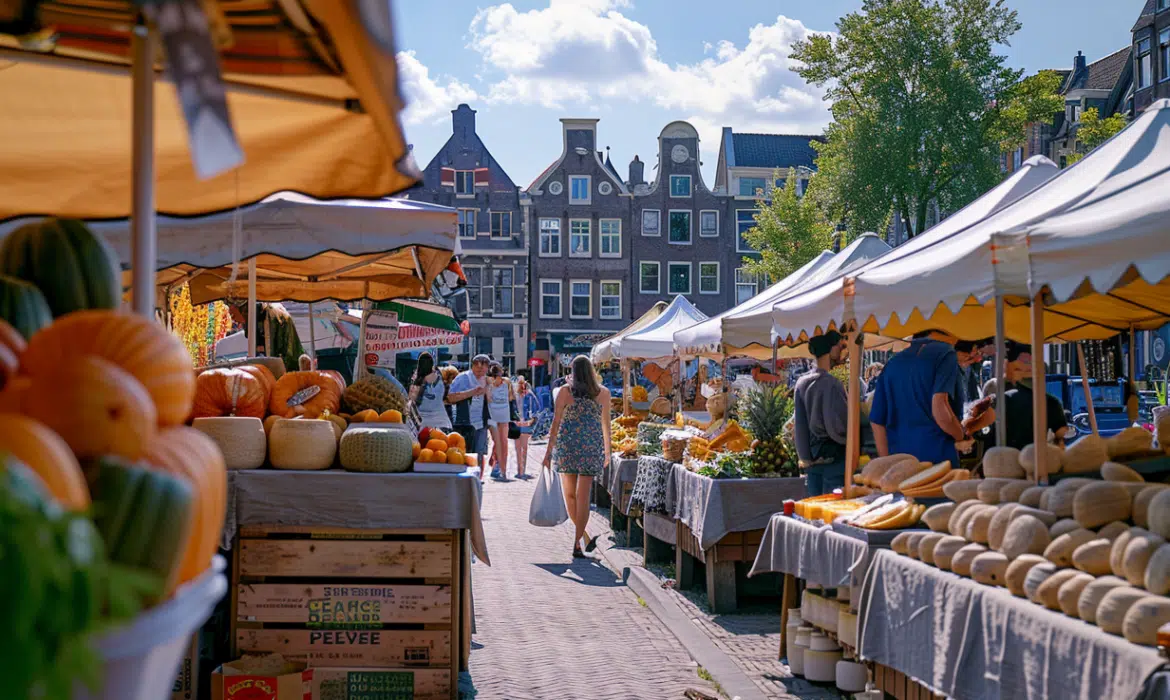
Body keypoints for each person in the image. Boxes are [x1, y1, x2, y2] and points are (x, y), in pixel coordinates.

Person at [543, 355, 611, 559]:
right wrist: (608, 450)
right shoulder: (603, 393)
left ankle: (578, 540)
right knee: (583, 497)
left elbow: (556, 423)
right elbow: (606, 424)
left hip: (568, 446)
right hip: (590, 447)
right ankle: (582, 537)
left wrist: (548, 452)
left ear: (573, 371)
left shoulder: (564, 392)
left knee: (571, 496)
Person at [869, 329, 967, 466]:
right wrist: (961, 435)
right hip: (937, 461)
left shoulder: (892, 363)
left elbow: (877, 421)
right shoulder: (945, 352)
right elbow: (940, 410)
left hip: (900, 463)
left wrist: (887, 463)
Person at [792, 331, 850, 496]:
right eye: (840, 346)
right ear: (831, 349)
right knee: (832, 514)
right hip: (834, 460)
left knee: (814, 513)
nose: (841, 351)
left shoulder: (801, 383)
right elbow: (841, 426)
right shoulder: (832, 384)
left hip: (811, 461)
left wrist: (806, 459)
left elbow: (800, 426)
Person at [448, 355, 491, 480]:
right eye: (476, 364)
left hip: (481, 423)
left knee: (480, 453)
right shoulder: (463, 378)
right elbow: (451, 397)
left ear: (487, 368)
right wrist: (472, 392)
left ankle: (478, 479)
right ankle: (463, 478)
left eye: (483, 365)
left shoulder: (488, 381)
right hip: (465, 423)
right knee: (464, 453)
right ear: (472, 365)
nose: (479, 367)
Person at [408, 352, 451, 431]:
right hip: (443, 423)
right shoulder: (440, 378)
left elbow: (411, 403)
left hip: (423, 427)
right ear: (432, 364)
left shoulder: (417, 382)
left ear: (419, 365)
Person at [486, 362, 514, 480]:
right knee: (496, 442)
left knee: (504, 442)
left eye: (498, 376)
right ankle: (495, 461)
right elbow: (487, 399)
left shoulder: (506, 383)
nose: (497, 379)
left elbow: (511, 397)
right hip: (492, 417)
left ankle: (502, 469)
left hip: (504, 416)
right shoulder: (488, 385)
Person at [513, 375, 540, 480]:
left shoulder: (529, 395)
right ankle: (519, 470)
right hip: (517, 424)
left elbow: (536, 408)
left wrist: (531, 421)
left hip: (525, 424)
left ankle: (521, 470)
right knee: (518, 448)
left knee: (523, 448)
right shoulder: (514, 396)